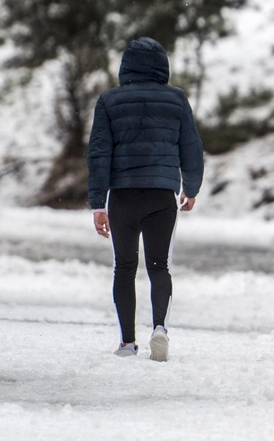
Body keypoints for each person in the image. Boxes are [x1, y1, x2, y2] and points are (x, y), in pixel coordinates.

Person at [87, 38, 203, 361]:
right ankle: (160, 328)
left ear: (126, 66)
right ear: (161, 66)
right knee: (159, 265)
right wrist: (190, 188)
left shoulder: (109, 101)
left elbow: (99, 153)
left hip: (123, 197)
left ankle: (127, 342)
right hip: (161, 196)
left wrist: (98, 202)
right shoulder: (176, 100)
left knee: (124, 267)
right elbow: (191, 148)